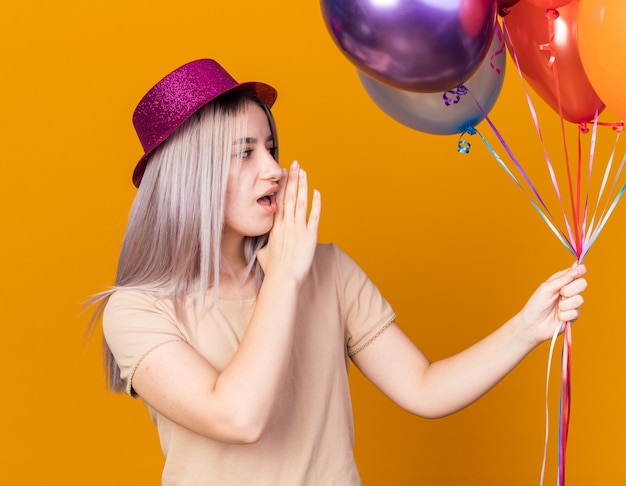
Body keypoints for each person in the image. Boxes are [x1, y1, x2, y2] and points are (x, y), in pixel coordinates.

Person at [91, 58, 587, 485]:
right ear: (189, 176)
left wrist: (527, 327)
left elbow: (424, 387)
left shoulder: (327, 270)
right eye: (245, 153)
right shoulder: (136, 309)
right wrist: (283, 277)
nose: (274, 169)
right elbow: (237, 416)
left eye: (271, 148)